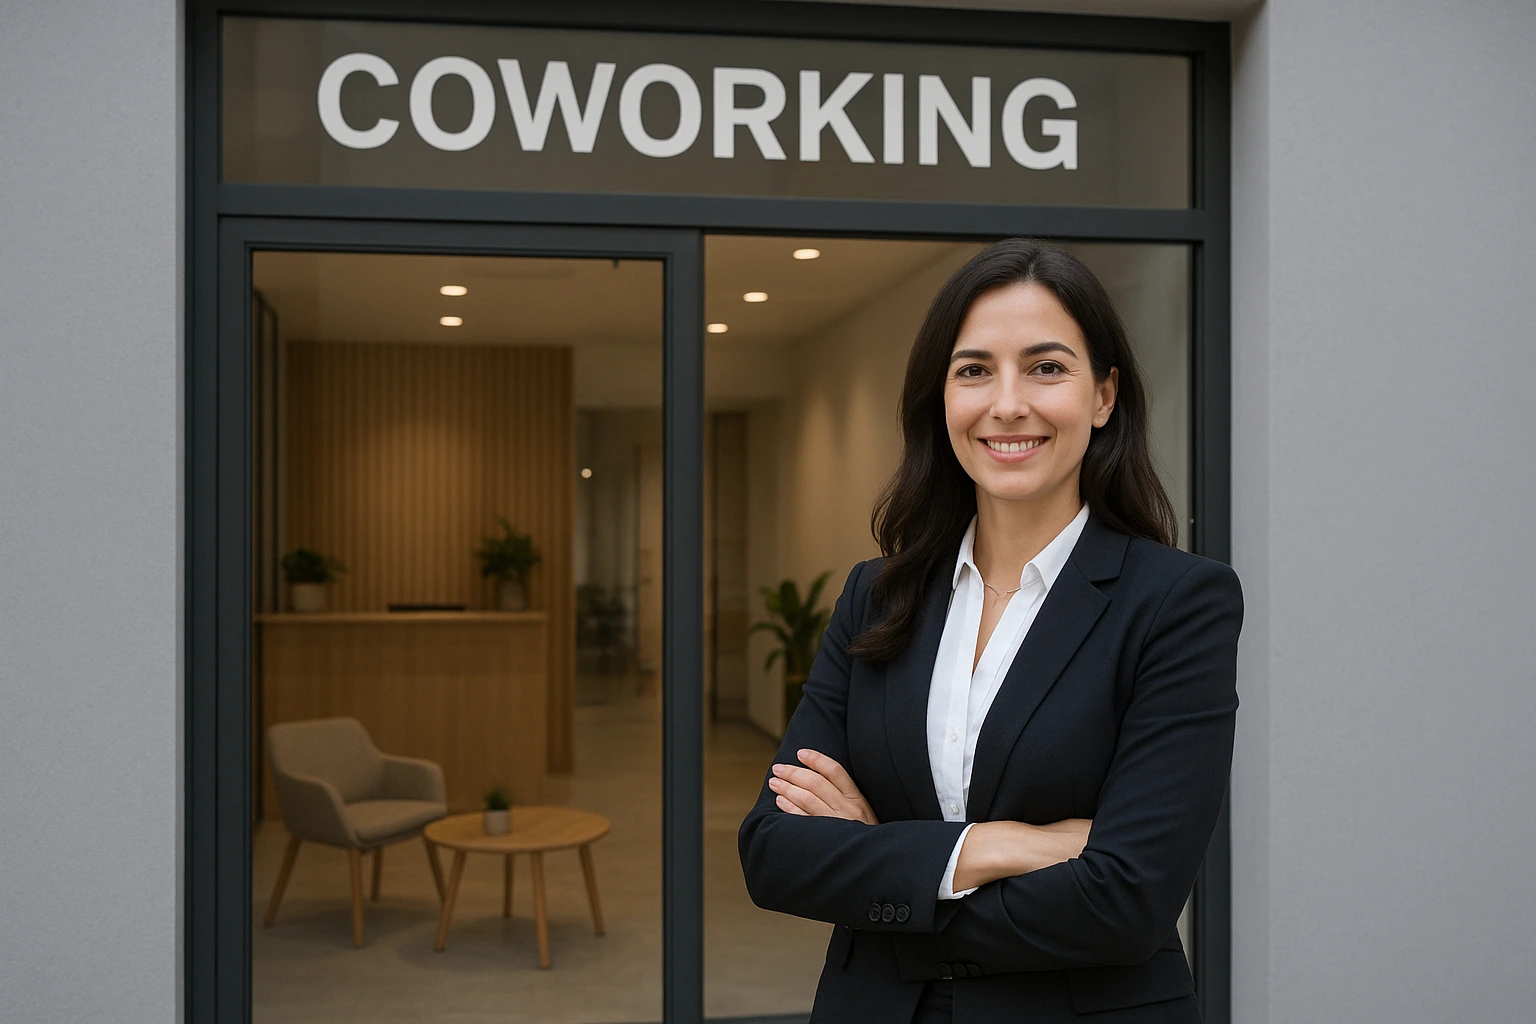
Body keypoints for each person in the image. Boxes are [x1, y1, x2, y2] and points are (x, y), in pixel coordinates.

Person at [737, 238, 1243, 1024]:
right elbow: (774, 854)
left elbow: (1129, 899)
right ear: (942, 399)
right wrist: (1004, 846)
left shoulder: (1178, 603)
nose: (1008, 403)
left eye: (1047, 367)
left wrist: (888, 871)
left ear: (1104, 396)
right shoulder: (878, 596)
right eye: (974, 370)